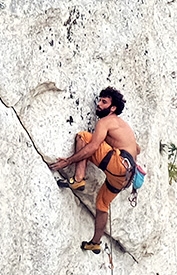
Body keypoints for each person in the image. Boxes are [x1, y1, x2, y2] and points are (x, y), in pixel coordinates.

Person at [50, 88, 140, 253]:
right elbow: (138, 150)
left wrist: (67, 162)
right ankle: (95, 242)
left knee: (84, 137)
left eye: (104, 102)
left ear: (113, 108)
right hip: (126, 176)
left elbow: (91, 147)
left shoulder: (106, 122)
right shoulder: (122, 126)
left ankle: (78, 179)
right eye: (99, 100)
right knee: (102, 203)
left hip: (119, 165)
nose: (98, 104)